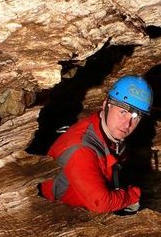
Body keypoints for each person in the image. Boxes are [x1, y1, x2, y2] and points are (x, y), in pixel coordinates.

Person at [40, 75, 153, 214]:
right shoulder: (81, 148)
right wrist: (133, 195)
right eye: (123, 112)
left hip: (83, 207)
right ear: (106, 105)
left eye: (135, 118)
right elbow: (101, 203)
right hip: (57, 215)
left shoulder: (109, 134)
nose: (127, 124)